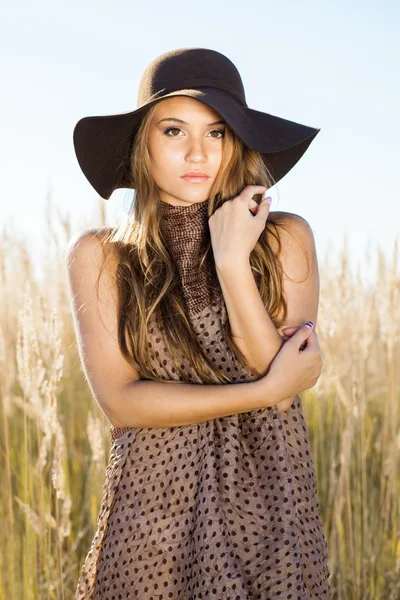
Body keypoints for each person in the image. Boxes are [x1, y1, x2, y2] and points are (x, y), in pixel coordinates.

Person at [67, 48, 331, 599]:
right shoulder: (103, 256)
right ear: (144, 141)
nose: (197, 152)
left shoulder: (283, 239)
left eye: (216, 133)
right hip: (154, 506)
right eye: (173, 131)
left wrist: (233, 261)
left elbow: (276, 379)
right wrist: (263, 390)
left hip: (270, 498)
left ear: (236, 143)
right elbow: (122, 402)